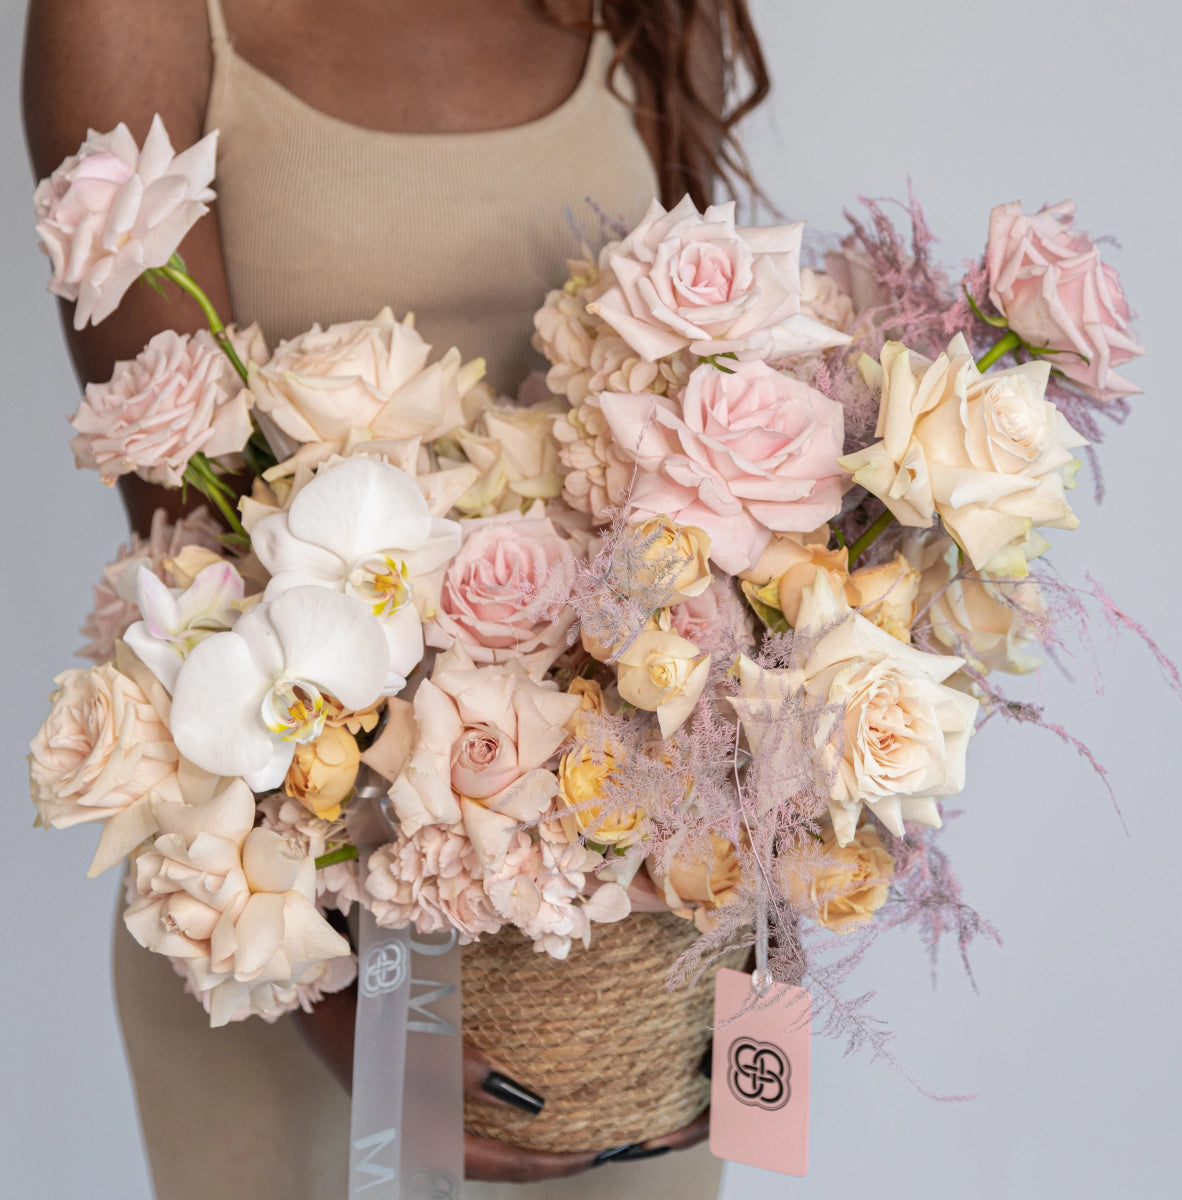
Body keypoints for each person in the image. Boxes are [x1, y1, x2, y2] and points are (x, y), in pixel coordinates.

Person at [22, 1, 770, 1195]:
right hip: (282, 894)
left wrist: (761, 890)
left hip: (606, 921)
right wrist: (321, 989)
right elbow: (185, 555)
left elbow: (703, 446)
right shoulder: (131, 17)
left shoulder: (643, 12)